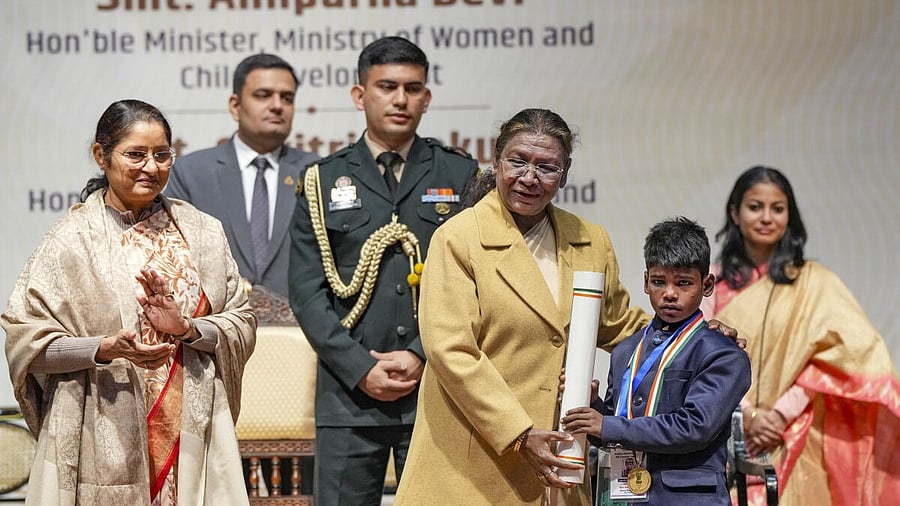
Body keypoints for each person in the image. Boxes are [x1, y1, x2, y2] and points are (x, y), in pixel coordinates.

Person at [2, 99, 256, 505]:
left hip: (191, 428)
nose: (151, 167)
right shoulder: (70, 240)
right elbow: (25, 342)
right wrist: (101, 348)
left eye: (162, 155)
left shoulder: (203, 233)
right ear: (101, 155)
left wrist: (188, 328)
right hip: (98, 427)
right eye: (136, 154)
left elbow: (242, 323)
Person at [392, 108, 650, 506]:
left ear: (564, 174)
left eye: (546, 167)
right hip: (474, 457)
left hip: (562, 453)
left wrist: (695, 336)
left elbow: (621, 326)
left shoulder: (590, 240)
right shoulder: (458, 238)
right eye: (518, 162)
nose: (530, 178)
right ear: (495, 163)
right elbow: (452, 351)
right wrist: (520, 433)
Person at [287, 36, 478, 505]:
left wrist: (419, 354)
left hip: (437, 388)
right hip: (348, 397)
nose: (400, 99)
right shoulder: (323, 179)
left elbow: (475, 282)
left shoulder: (459, 174)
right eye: (387, 86)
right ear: (360, 95)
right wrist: (359, 369)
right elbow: (307, 292)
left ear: (427, 98)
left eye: (413, 88)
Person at [699, 166, 900, 505]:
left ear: (789, 215)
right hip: (727, 435)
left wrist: (778, 416)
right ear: (735, 212)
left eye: (777, 208)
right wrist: (746, 416)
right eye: (754, 207)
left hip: (797, 434)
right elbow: (701, 355)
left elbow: (837, 356)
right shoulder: (710, 283)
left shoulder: (814, 283)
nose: (766, 217)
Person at [561, 217, 751, 505]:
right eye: (659, 282)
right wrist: (594, 406)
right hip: (626, 496)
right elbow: (617, 425)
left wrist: (607, 426)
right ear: (646, 281)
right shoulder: (626, 350)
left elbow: (694, 428)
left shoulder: (723, 353)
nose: (670, 294)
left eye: (684, 282)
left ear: (707, 284)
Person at [166, 53, 318, 301]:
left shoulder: (316, 172)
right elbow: (174, 262)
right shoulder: (190, 173)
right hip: (216, 330)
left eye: (287, 98)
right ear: (235, 106)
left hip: (300, 332)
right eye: (263, 95)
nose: (277, 105)